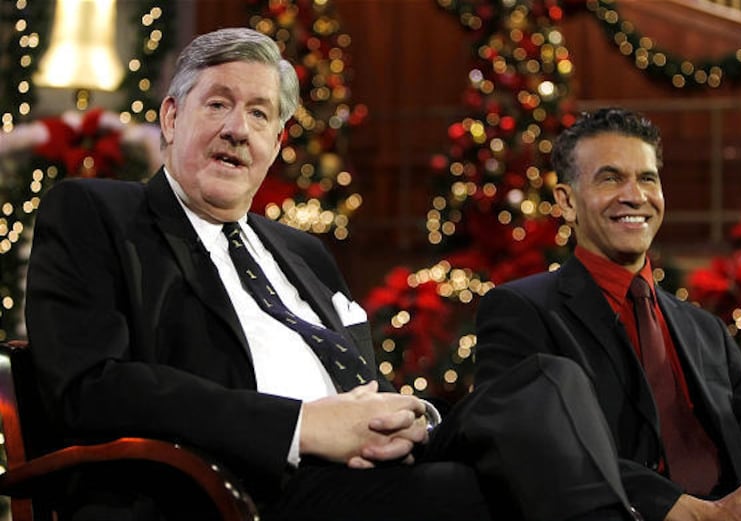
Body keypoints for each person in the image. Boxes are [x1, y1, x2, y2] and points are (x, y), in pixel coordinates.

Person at [24, 28, 638, 521]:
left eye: (261, 115)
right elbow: (91, 386)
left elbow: (356, 377)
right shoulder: (98, 212)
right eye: (219, 104)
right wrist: (297, 426)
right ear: (171, 115)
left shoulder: (302, 251)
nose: (239, 128)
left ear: (276, 140)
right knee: (485, 494)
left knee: (543, 382)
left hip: (367, 458)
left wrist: (401, 416)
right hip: (250, 482)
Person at [471, 107, 741, 521]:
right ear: (567, 201)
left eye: (647, 178)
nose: (635, 195)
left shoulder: (707, 331)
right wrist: (693, 513)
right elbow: (532, 447)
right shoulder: (523, 311)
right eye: (610, 178)